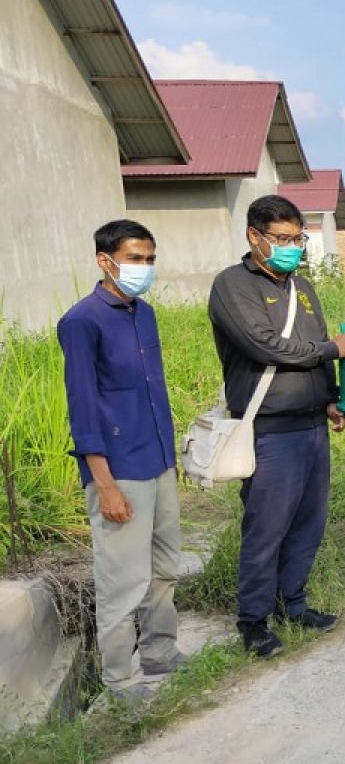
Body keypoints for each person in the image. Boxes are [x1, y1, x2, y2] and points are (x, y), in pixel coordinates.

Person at [208, 195, 345, 657]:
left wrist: (332, 398)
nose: (293, 246)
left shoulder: (303, 287)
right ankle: (253, 620)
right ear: (254, 237)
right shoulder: (233, 286)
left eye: (298, 238)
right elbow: (265, 345)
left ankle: (292, 602)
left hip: (312, 425)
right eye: (283, 238)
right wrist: (332, 351)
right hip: (269, 431)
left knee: (308, 523)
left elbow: (314, 342)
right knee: (266, 527)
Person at [58, 220, 185, 704]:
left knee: (163, 567)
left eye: (150, 259)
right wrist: (104, 483)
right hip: (119, 469)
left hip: (157, 459)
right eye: (136, 258)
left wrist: (171, 460)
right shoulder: (82, 321)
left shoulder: (144, 313)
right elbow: (83, 406)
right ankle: (120, 681)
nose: (144, 267)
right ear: (104, 259)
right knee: (123, 580)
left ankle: (160, 652)